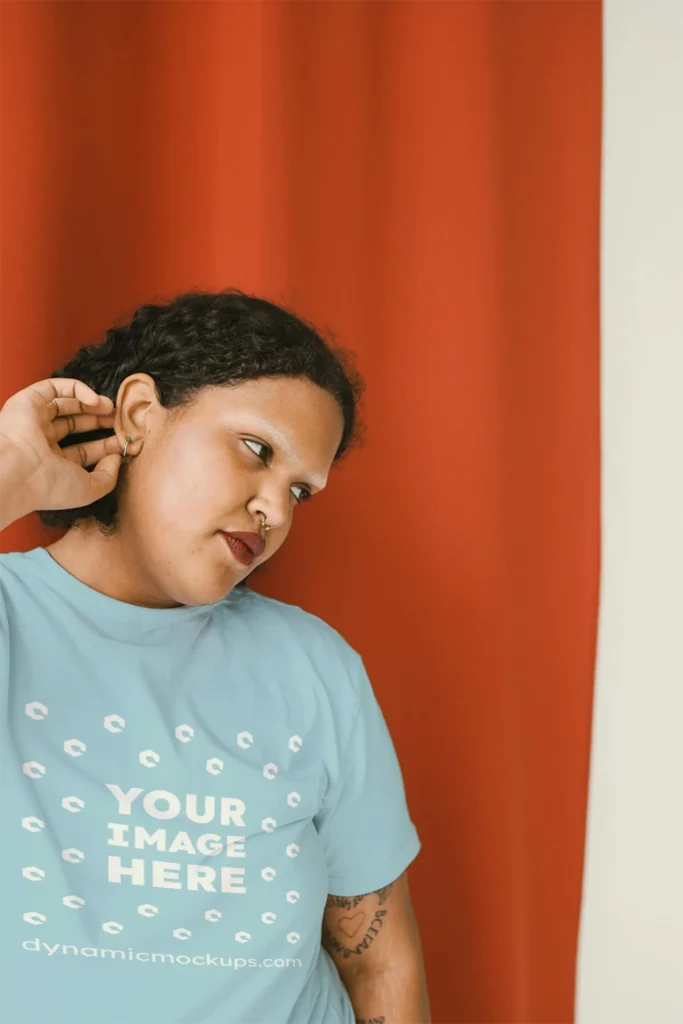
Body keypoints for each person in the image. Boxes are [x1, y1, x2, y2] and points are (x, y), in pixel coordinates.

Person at [0, 290, 430, 1024]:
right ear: (139, 414)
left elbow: (380, 957)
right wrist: (13, 466)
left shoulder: (313, 667)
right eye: (256, 450)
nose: (276, 510)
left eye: (300, 491)